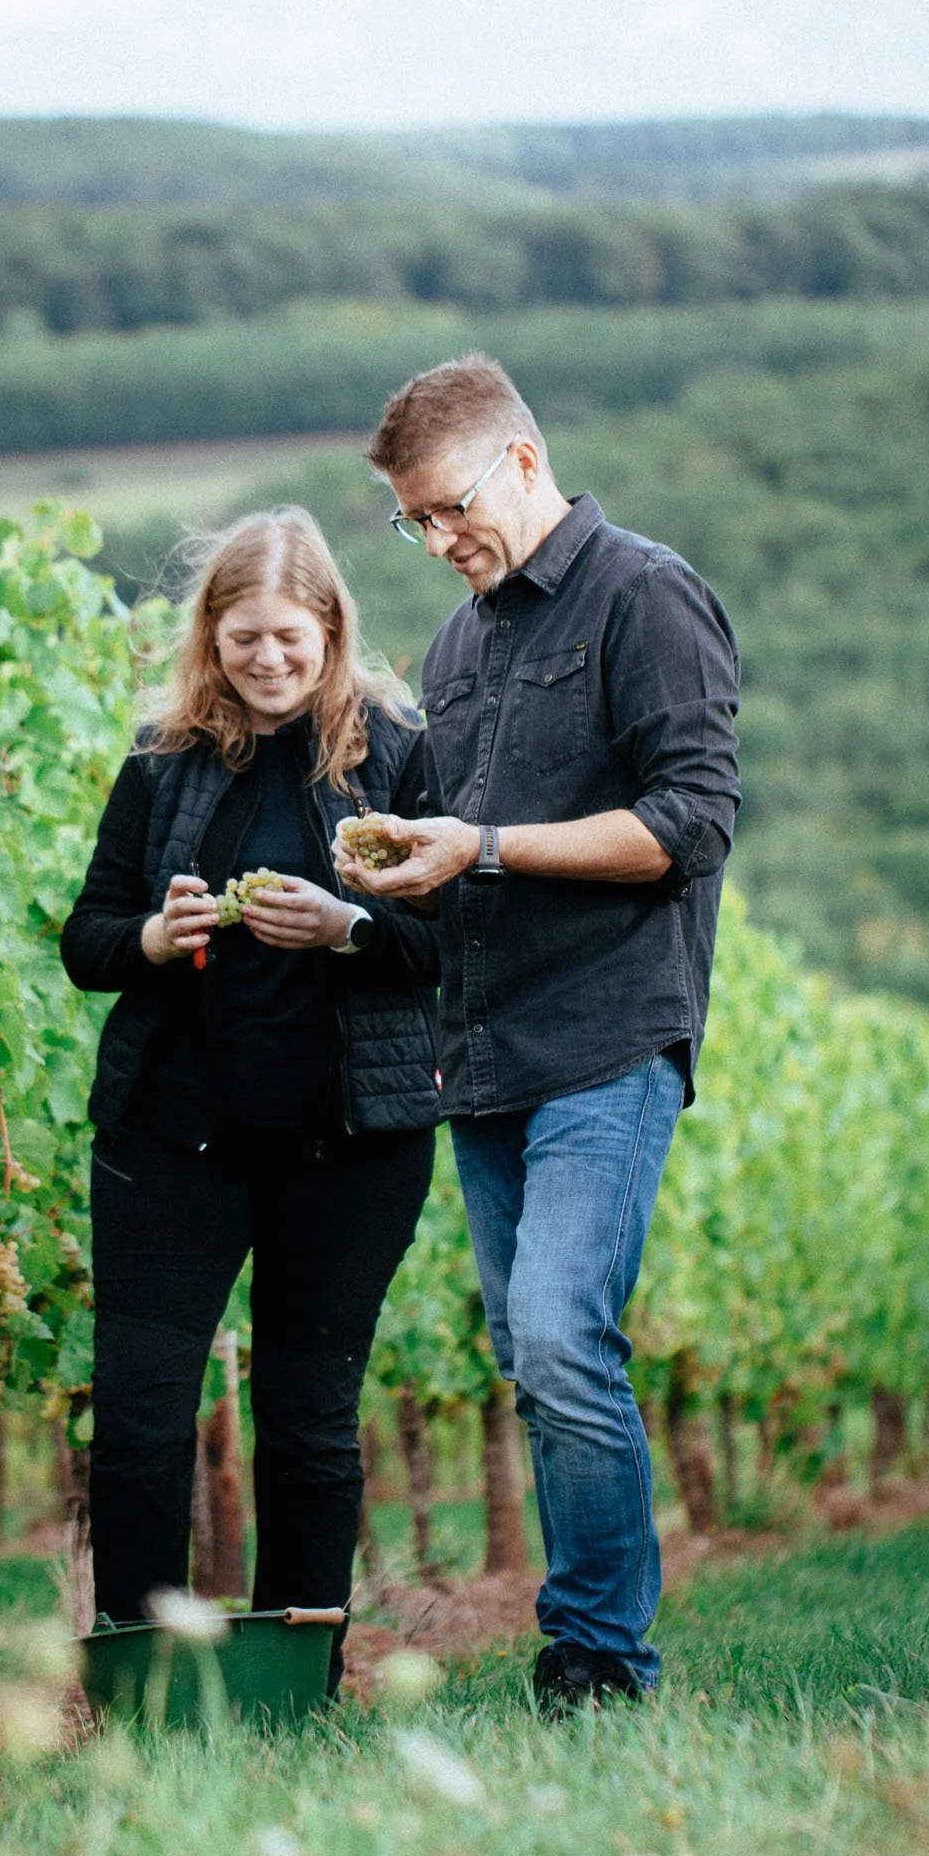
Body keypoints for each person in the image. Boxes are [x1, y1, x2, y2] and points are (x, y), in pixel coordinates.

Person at [337, 356, 740, 1712]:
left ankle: (598, 1659)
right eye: (415, 526)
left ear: (519, 461)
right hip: (486, 1053)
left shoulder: (644, 595)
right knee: (529, 1355)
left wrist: (487, 844)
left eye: (448, 510)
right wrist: (367, 894)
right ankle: (586, 1648)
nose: (439, 543)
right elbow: (458, 862)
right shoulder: (456, 650)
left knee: (562, 1334)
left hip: (606, 1038)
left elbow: (687, 825)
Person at [60, 507, 440, 1690]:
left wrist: (348, 928)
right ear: (208, 641)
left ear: (330, 628)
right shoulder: (162, 761)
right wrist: (156, 940)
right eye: (240, 643)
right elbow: (87, 939)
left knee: (311, 1417)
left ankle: (290, 1691)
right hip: (173, 1139)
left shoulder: (394, 753)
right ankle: (142, 1686)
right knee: (137, 1422)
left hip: (350, 1148)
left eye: (287, 638)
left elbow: (447, 950)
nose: (265, 662)